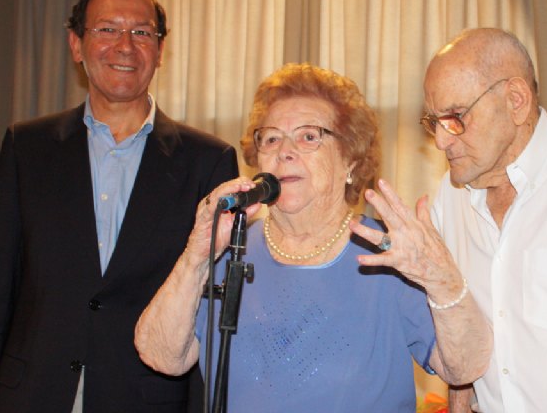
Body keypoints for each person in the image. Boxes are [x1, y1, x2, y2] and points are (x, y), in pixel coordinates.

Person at [134, 63, 490, 412]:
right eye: (271, 137)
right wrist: (195, 254)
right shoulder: (230, 247)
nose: (284, 151)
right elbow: (161, 356)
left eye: (308, 136)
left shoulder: (390, 253)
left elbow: (463, 368)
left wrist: (441, 278)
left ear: (350, 160)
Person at [0, 0, 238, 413]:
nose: (125, 46)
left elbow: (209, 314)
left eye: (142, 32)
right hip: (31, 395)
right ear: (76, 45)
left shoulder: (208, 161)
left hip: (146, 399)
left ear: (160, 51)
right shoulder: (25, 148)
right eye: (107, 29)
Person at [349, 28, 547, 412]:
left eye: (456, 117)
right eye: (434, 122)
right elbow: (462, 330)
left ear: (516, 100)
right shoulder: (450, 197)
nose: (442, 141)